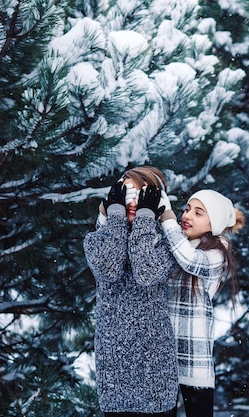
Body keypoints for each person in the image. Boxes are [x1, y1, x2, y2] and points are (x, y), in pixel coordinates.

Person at [83, 166, 178, 417]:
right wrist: (115, 218)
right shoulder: (95, 240)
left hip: (156, 369)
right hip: (114, 371)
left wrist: (146, 218)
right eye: (127, 193)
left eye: (143, 195)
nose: (134, 201)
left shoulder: (167, 242)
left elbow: (146, 272)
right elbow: (109, 269)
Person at [157, 189, 245, 417]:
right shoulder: (178, 243)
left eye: (198, 213)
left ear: (213, 223)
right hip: (162, 354)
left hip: (194, 358)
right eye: (187, 209)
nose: (187, 216)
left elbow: (190, 260)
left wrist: (168, 221)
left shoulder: (218, 252)